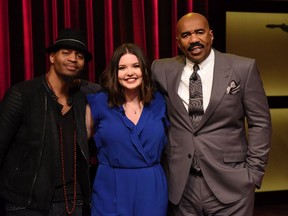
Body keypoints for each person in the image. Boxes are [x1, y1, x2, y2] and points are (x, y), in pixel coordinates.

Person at [151, 12, 272, 216]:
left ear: (211, 35)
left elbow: (260, 123)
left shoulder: (242, 68)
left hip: (232, 184)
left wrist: (254, 173)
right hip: (182, 185)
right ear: (178, 41)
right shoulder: (161, 69)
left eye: (200, 32)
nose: (194, 39)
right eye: (186, 34)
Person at [0, 28, 101, 215]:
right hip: (26, 202)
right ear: (52, 57)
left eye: (79, 56)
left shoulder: (82, 99)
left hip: (72, 202)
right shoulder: (23, 94)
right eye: (66, 53)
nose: (73, 59)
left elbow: (106, 92)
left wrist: (81, 85)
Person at [86, 43, 169, 216]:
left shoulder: (159, 101)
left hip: (151, 187)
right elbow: (80, 143)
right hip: (110, 187)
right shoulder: (98, 103)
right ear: (114, 73)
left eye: (136, 66)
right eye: (122, 68)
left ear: (144, 70)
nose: (130, 72)